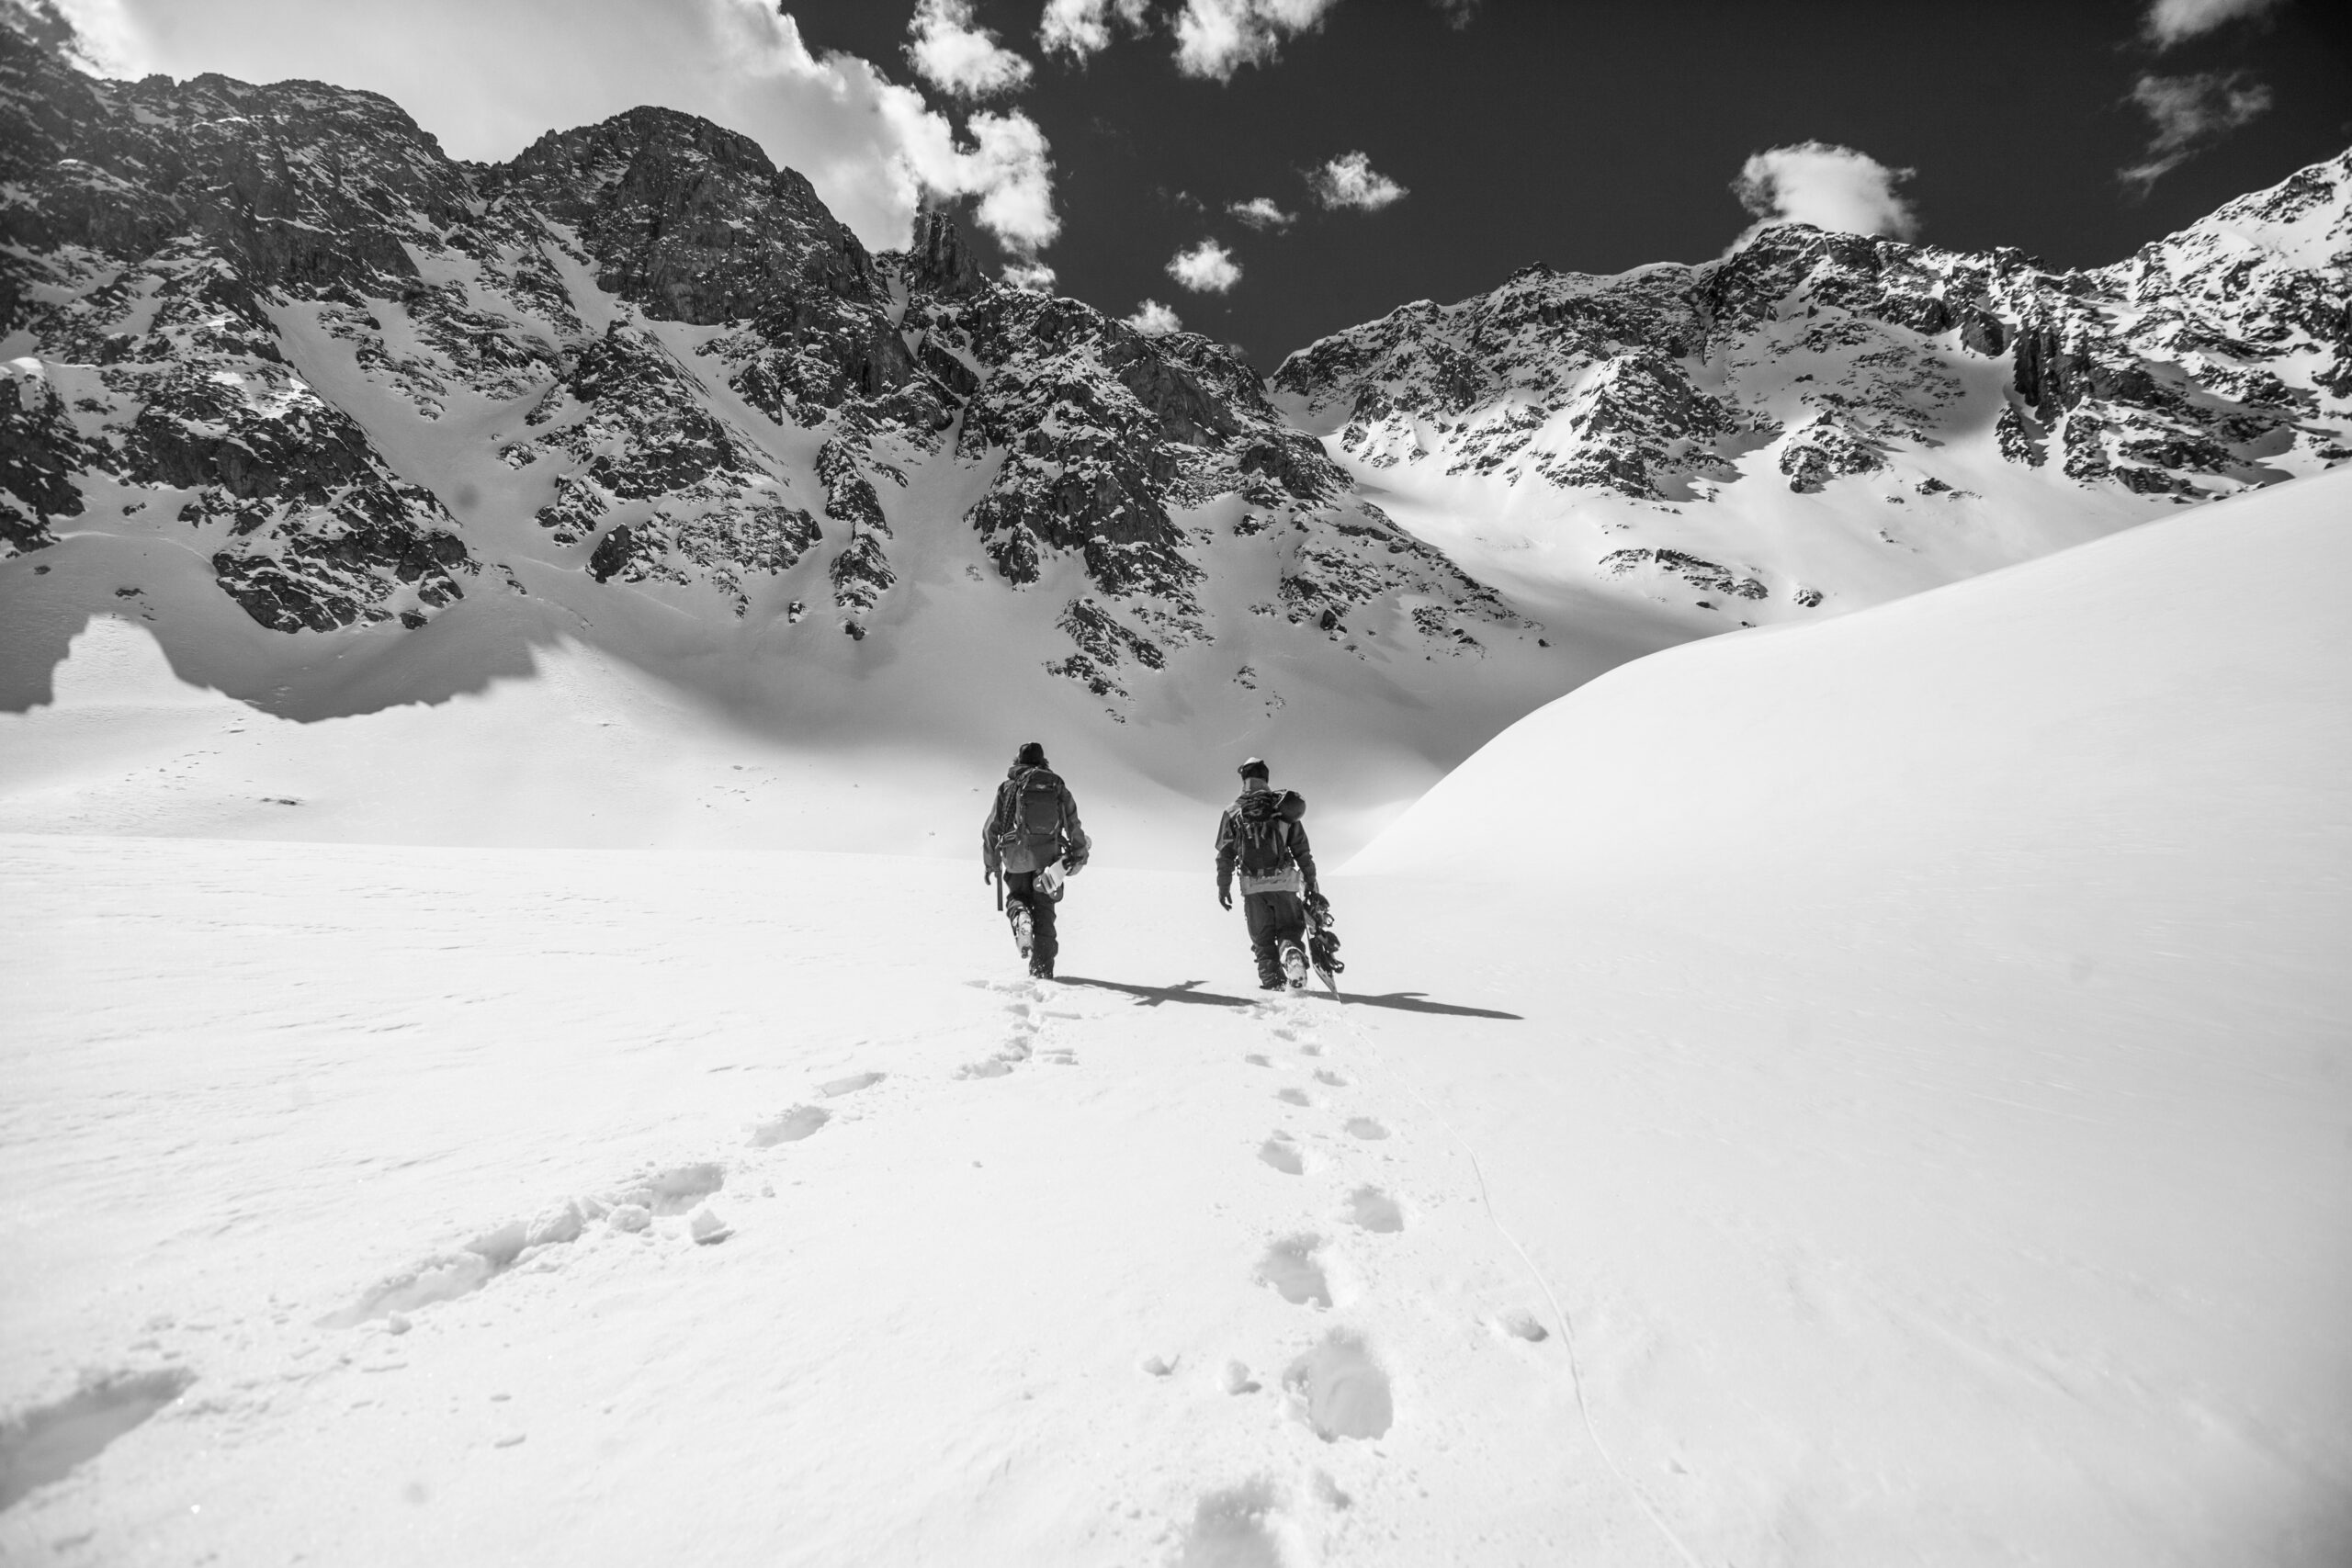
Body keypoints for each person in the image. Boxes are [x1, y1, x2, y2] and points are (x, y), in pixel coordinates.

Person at [981, 741, 1090, 980]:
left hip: (1015, 858)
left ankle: (1020, 915)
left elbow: (991, 828)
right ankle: (1042, 969)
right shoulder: (1055, 785)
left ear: (1018, 761)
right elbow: (1073, 821)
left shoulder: (1008, 787)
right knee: (1045, 910)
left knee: (1017, 897)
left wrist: (991, 864)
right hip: (1049, 861)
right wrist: (1079, 851)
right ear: (1043, 761)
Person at [1215, 757, 1321, 990]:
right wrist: (1311, 881)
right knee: (1290, 931)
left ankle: (1273, 986)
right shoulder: (1284, 808)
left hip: (1253, 887)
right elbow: (1302, 850)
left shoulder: (1233, 811)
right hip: (1285, 884)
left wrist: (1223, 887)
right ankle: (1291, 954)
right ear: (1266, 779)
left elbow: (1225, 854)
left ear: (1244, 779)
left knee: (1262, 941)